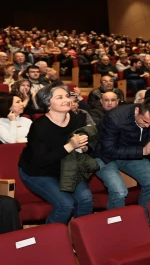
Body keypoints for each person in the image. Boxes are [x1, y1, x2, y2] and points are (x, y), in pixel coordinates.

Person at [18, 83, 98, 223]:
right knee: (65, 205)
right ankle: (52, 241)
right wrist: (70, 146)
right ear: (48, 103)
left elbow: (90, 145)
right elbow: (40, 161)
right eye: (59, 97)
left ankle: (80, 239)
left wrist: (84, 148)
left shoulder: (77, 119)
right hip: (38, 171)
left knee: (86, 200)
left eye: (67, 96)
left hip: (67, 168)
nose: (66, 100)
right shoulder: (39, 126)